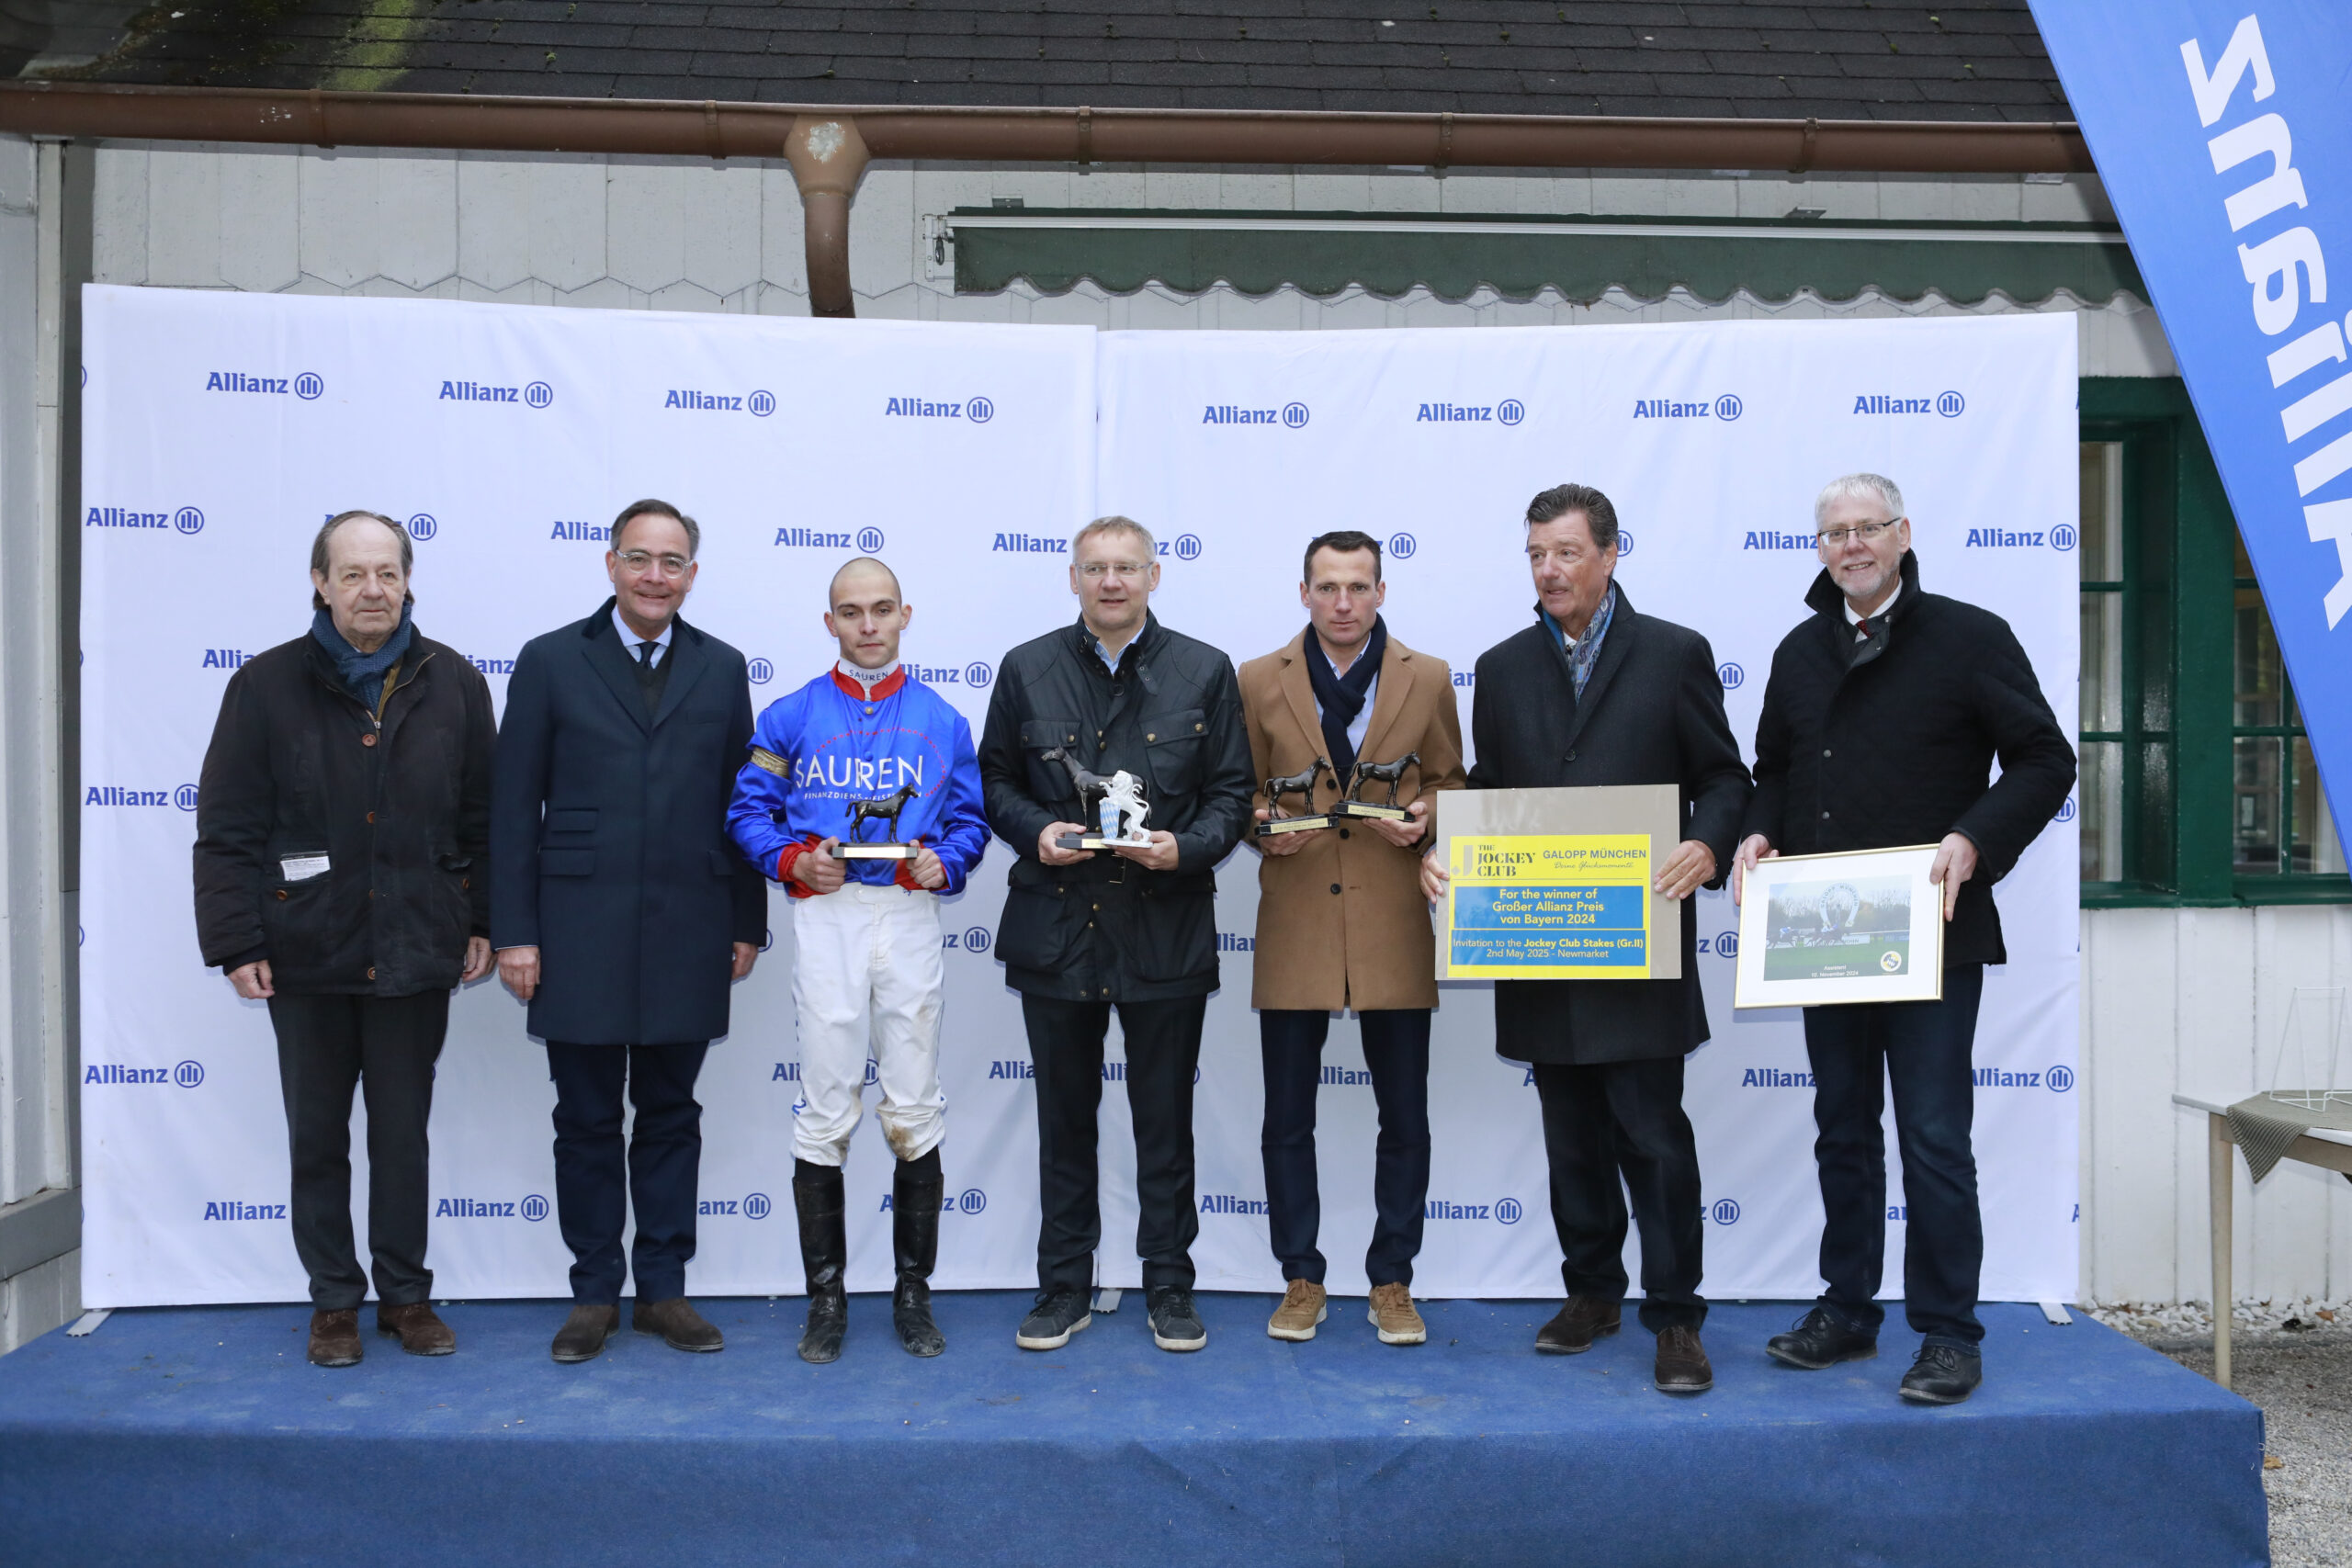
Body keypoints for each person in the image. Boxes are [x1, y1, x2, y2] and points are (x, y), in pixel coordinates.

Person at [1734, 472, 2075, 1406]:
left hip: (1932, 932)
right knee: (1842, 1129)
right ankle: (1847, 1311)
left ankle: (1949, 1334)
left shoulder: (1970, 637)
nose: (1851, 544)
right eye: (1834, 532)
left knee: (1931, 1134)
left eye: (1867, 528)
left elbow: (2045, 758)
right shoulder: (1800, 652)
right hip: (1821, 935)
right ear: (1820, 549)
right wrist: (1758, 830)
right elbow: (1772, 769)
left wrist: (1974, 836)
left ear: (1901, 534)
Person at [1426, 483, 1750, 1395]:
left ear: (1610, 556)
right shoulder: (1498, 665)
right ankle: (1591, 1293)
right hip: (1536, 942)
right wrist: (1446, 849)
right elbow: (1495, 791)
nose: (1549, 570)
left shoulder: (1674, 653)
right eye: (1536, 553)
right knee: (1569, 1136)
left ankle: (1676, 1317)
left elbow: (1724, 777)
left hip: (1637, 941)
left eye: (1566, 552)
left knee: (1652, 1137)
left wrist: (1706, 840)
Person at [194, 510, 495, 1369]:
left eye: (388, 573)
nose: (373, 589)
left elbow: (484, 819)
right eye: (353, 573)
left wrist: (483, 919)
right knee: (317, 1135)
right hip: (305, 950)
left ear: (408, 581)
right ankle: (333, 1299)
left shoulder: (457, 684)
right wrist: (235, 940)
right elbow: (228, 828)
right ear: (320, 583)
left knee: (403, 1133)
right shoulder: (263, 686)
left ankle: (404, 1294)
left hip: (414, 951)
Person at [491, 498, 766, 1364]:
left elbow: (744, 802)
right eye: (640, 558)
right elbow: (510, 808)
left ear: (691, 572)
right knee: (584, 1118)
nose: (656, 575)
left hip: (690, 923)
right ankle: (593, 1293)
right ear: (610, 564)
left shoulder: (721, 669)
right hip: (573, 930)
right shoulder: (547, 661)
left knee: (672, 1114)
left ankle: (664, 1290)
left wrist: (747, 918)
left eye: (672, 561)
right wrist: (514, 932)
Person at [978, 515, 1253, 1355]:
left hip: (1162, 929)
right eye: (1095, 568)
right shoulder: (1027, 668)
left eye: (1126, 567)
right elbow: (992, 779)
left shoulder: (1204, 671)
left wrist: (1187, 847)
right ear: (1072, 578)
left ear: (1154, 576)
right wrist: (1036, 830)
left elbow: (1233, 792)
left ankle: (1170, 1285)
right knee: (1066, 1123)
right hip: (1058, 931)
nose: (1111, 582)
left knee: (1164, 1123)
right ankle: (1063, 1284)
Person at [726, 557, 988, 1363]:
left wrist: (951, 860)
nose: (867, 625)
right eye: (851, 612)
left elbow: (968, 821)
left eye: (881, 610)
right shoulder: (791, 714)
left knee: (913, 1099)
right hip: (828, 916)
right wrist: (791, 862)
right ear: (830, 621)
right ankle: (827, 1299)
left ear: (906, 615)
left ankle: (913, 1295)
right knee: (826, 1100)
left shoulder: (942, 719)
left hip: (907, 914)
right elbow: (747, 809)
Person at [1238, 529, 1464, 1347]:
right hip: (1296, 913)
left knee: (1404, 1114)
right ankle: (1301, 1275)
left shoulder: (1428, 676)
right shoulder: (1258, 678)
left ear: (1380, 592)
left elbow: (1451, 780)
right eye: (1327, 587)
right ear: (1303, 592)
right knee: (1286, 1116)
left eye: (1358, 586)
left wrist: (1429, 817)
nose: (1343, 602)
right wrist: (1262, 826)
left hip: (1392, 916)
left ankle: (1392, 1278)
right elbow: (1240, 793)